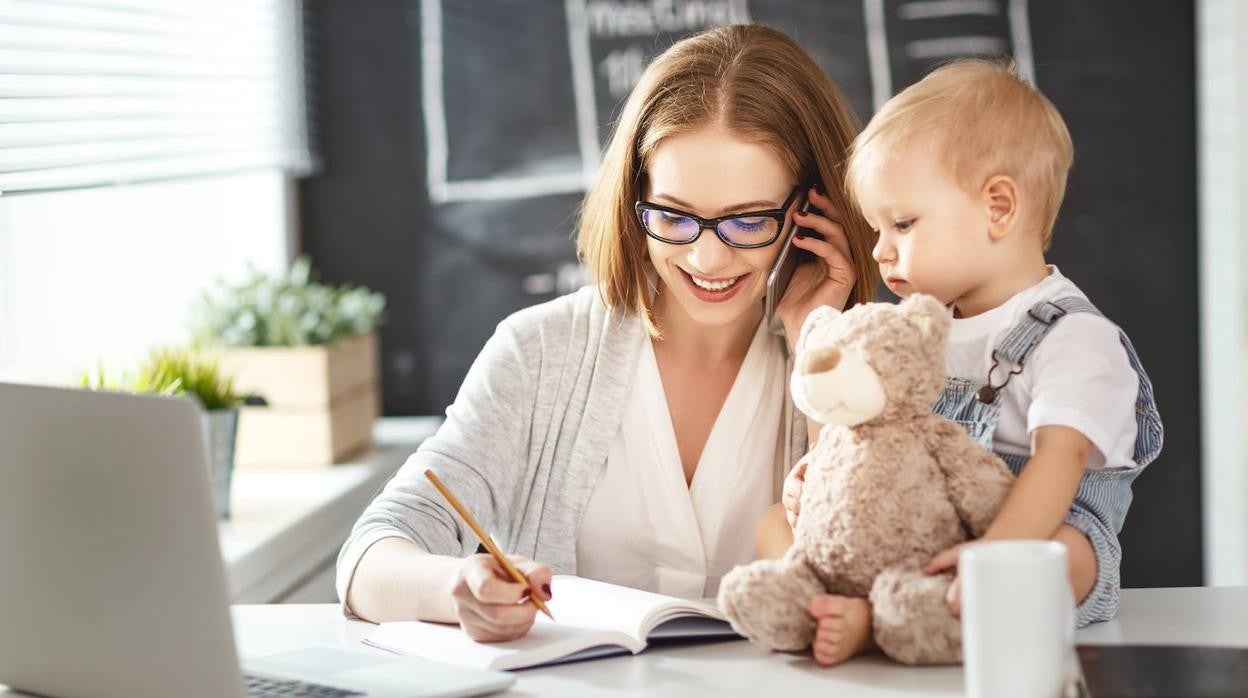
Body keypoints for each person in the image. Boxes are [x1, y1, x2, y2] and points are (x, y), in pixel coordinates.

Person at [336, 23, 879, 643]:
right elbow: (369, 560)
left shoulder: (859, 364)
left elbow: (863, 580)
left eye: (747, 221)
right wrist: (456, 587)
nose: (706, 260)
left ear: (811, 212)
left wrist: (820, 340)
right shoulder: (540, 353)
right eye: (673, 216)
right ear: (634, 199)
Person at [759, 59, 1164, 666]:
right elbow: (865, 428)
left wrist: (995, 554)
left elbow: (1059, 462)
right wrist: (823, 477)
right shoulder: (918, 329)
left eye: (902, 223)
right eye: (876, 228)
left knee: (1066, 555)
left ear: (998, 207)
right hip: (922, 526)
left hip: (1027, 535)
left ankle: (878, 622)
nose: (880, 250)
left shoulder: (1074, 337)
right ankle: (829, 601)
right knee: (772, 522)